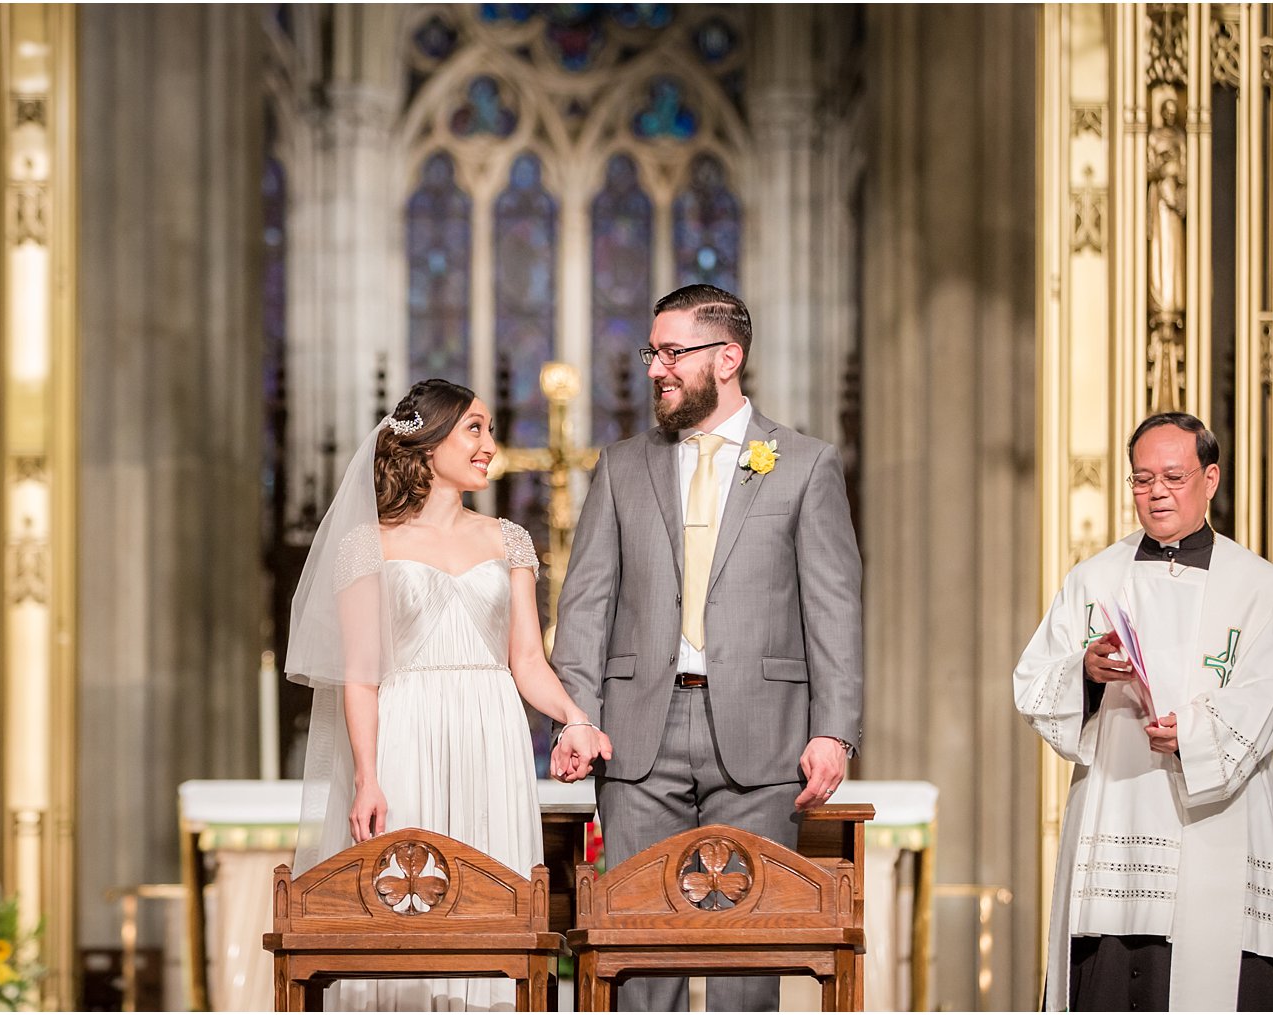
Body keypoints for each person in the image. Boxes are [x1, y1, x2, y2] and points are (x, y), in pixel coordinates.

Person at [550, 284, 864, 1012]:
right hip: (636, 737)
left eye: (672, 352)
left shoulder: (805, 464)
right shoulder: (622, 465)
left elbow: (834, 607)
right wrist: (576, 714)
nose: (656, 368)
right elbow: (587, 604)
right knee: (636, 948)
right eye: (651, 352)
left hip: (764, 738)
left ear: (728, 357)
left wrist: (834, 730)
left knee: (747, 956)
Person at [285, 378, 611, 1012]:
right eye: (475, 429)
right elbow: (360, 673)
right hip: (406, 729)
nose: (490, 444)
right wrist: (368, 778)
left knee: (494, 903)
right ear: (429, 442)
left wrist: (574, 717)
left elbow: (526, 660)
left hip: (493, 736)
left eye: (490, 429)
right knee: (407, 901)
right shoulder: (366, 544)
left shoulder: (507, 538)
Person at [1014, 412, 1273, 1012]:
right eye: (1141, 480)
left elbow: (1265, 695)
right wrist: (1085, 674)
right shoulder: (1094, 577)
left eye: (1173, 476)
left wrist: (1190, 733)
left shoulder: (1259, 585)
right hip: (1115, 816)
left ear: (1210, 478)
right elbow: (1033, 678)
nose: (1156, 491)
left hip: (1213, 818)